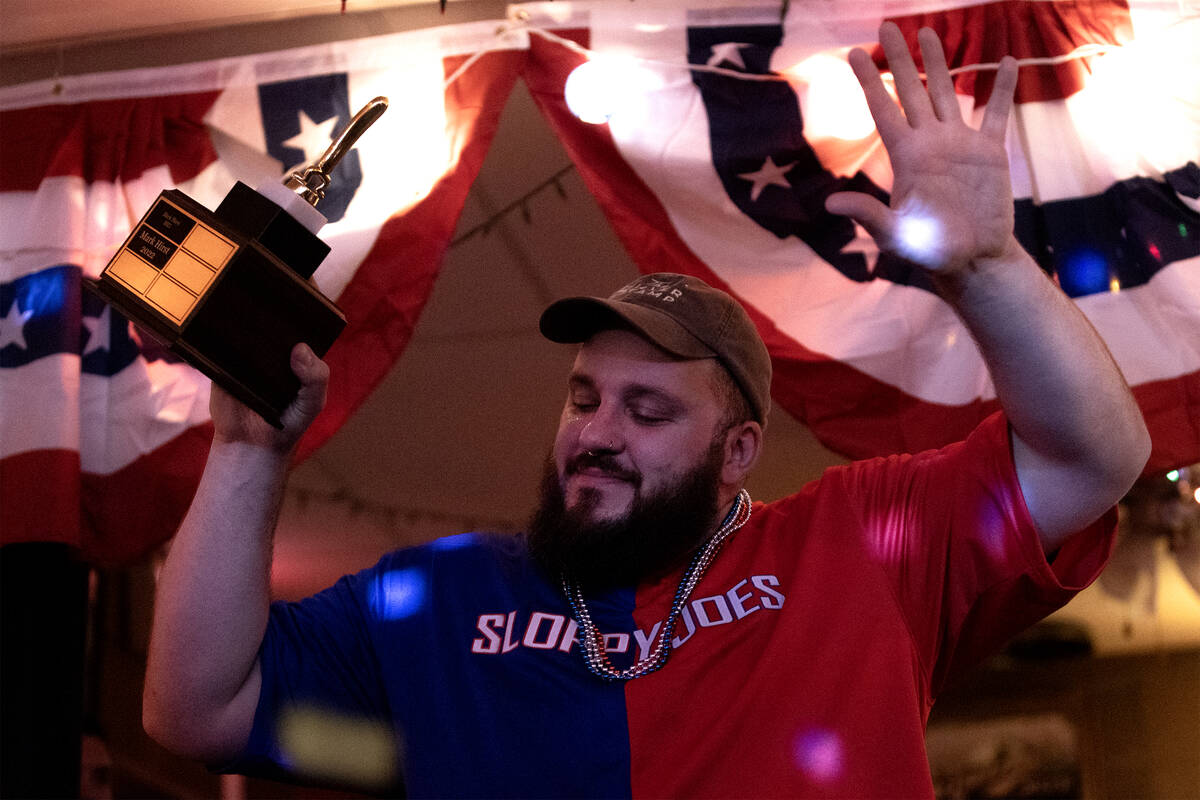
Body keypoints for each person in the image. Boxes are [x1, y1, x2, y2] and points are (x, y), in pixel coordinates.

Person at [142, 23, 1150, 798]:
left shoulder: (861, 542)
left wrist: (988, 269)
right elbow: (193, 710)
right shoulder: (439, 596)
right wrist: (247, 449)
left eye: (648, 409)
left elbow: (1094, 459)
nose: (597, 430)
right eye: (584, 395)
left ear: (738, 447)